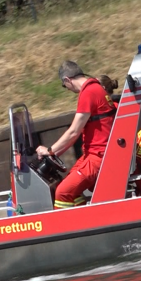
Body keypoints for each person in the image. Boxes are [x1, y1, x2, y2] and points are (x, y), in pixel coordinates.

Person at [36, 61, 117, 209]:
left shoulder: (89, 93)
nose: (66, 89)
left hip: (99, 156)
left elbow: (74, 131)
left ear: (67, 80)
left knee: (62, 192)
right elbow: (74, 135)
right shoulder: (96, 88)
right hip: (96, 153)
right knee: (72, 188)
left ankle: (68, 230)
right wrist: (53, 152)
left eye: (64, 85)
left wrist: (49, 151)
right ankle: (88, 220)